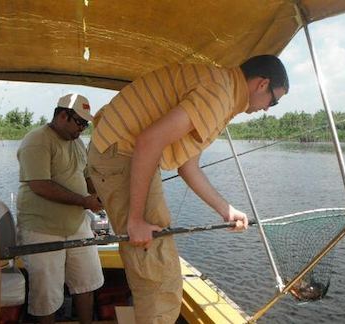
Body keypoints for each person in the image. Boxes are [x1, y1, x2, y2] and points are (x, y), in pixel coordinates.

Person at [87, 55, 289, 323]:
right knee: (159, 274)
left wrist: (226, 210)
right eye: (273, 101)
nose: (268, 109)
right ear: (262, 84)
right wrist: (136, 219)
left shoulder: (223, 91)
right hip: (120, 152)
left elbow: (187, 166)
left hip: (117, 149)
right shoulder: (219, 94)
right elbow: (148, 142)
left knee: (154, 263)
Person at [16, 93, 104, 324]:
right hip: (41, 229)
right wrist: (85, 202)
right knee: (47, 294)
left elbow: (86, 177)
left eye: (86, 124)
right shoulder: (37, 140)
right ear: (63, 115)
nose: (83, 128)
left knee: (88, 282)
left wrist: (99, 195)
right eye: (80, 122)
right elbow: (40, 185)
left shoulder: (78, 143)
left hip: (77, 224)